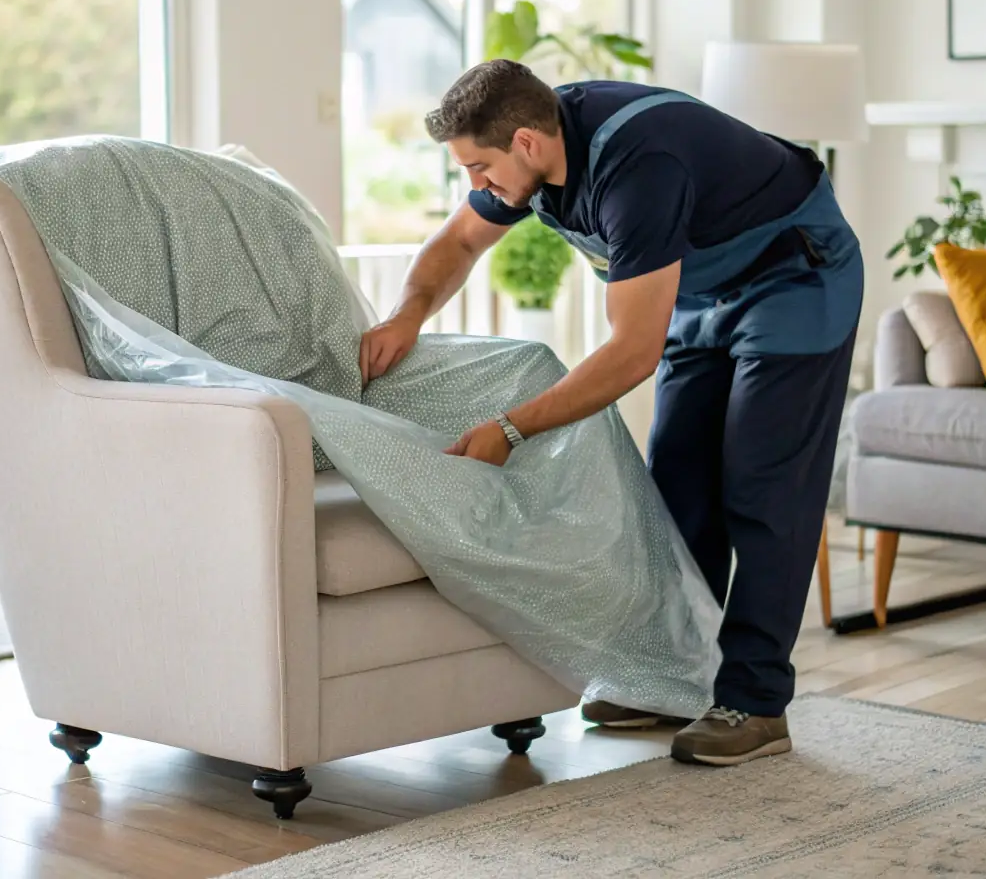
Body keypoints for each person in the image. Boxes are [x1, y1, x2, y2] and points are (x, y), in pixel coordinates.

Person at [358, 59, 863, 767]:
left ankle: (753, 701)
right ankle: (672, 679)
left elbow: (630, 354)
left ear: (527, 143)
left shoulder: (638, 168)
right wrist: (405, 316)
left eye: (479, 168)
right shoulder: (528, 144)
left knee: (762, 488)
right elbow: (459, 242)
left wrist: (509, 428)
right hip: (700, 293)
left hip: (794, 277)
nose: (476, 186)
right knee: (678, 483)